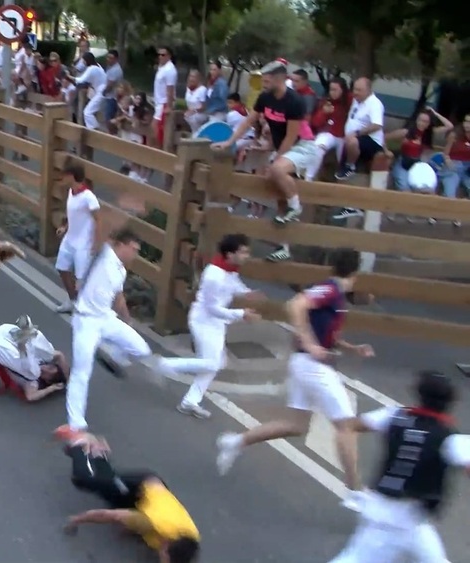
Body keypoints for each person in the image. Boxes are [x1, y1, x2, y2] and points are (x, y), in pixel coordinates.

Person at [215, 249, 373, 511]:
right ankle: (355, 492)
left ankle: (236, 441)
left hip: (305, 364)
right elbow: (295, 305)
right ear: (357, 272)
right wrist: (310, 343)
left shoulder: (334, 294)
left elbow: (325, 333)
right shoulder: (331, 290)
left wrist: (351, 348)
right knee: (347, 426)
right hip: (313, 367)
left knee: (295, 426)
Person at [329, 370, 470, 562]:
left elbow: (349, 426)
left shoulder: (393, 416)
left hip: (407, 517)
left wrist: (353, 477)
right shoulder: (451, 438)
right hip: (393, 521)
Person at [212, 60, 320, 263]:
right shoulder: (265, 98)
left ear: (280, 78)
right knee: (281, 197)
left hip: (302, 146)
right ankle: (284, 246)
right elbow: (248, 122)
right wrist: (229, 142)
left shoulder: (295, 101)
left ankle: (297, 206)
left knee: (277, 171)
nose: (263, 83)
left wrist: (278, 160)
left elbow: (291, 136)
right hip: (284, 149)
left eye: (267, 79)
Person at [151, 234, 263, 419]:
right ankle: (163, 364)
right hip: (203, 321)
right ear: (229, 254)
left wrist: (247, 293)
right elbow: (212, 308)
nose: (246, 256)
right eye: (243, 252)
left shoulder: (230, 269)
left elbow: (234, 285)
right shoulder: (213, 275)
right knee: (212, 363)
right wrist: (241, 314)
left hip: (216, 323)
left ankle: (190, 401)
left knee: (218, 362)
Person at [62, 228, 157, 433]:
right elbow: (98, 230)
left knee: (142, 349)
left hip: (106, 318)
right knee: (81, 372)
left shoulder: (121, 270)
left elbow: (118, 297)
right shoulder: (102, 254)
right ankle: (75, 423)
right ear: (120, 245)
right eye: (133, 249)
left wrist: (128, 321)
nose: (135, 254)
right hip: (86, 321)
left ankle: (112, 353)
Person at [58, 430, 201, 563]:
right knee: (84, 480)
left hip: (154, 498)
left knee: (110, 492)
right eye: (165, 558)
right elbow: (107, 515)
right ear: (166, 545)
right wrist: (77, 520)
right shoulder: (149, 523)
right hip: (141, 485)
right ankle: (79, 443)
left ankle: (99, 454)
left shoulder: (190, 541)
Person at [0, 314, 69, 402]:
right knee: (48, 353)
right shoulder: (44, 358)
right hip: (4, 332)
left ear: (48, 381)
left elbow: (30, 396)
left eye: (49, 373)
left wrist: (52, 388)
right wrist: (68, 382)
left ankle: (23, 342)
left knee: (32, 372)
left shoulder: (34, 382)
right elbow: (60, 355)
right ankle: (27, 334)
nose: (47, 369)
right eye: (50, 367)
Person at [54, 160, 100, 314]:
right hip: (69, 239)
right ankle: (72, 300)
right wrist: (64, 227)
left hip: (83, 244)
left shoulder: (89, 197)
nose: (63, 178)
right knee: (62, 268)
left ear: (72, 176)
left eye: (65, 175)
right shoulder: (70, 192)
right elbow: (72, 213)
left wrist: (96, 242)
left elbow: (99, 220)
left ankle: (86, 308)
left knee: (82, 279)